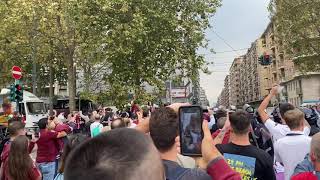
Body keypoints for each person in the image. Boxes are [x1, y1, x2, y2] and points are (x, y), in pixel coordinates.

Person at [216, 110, 276, 180]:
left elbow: (209, 149)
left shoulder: (219, 151)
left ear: (230, 128)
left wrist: (224, 128)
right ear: (250, 128)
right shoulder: (263, 157)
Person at [274, 109, 312, 180]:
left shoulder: (278, 143)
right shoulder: (310, 141)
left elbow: (280, 162)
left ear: (287, 124)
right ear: (302, 123)